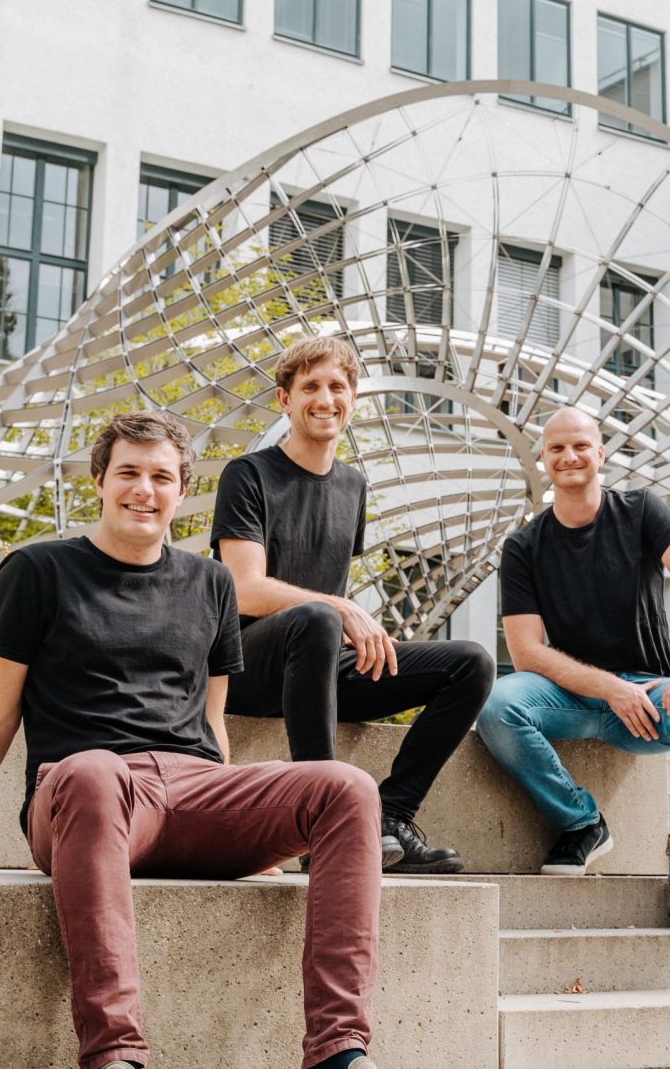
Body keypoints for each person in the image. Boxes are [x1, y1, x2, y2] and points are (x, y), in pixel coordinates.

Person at [0, 411, 383, 1069]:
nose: (143, 490)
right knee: (93, 772)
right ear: (99, 480)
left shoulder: (210, 584)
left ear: (181, 492)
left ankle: (339, 1050)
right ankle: (115, 1053)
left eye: (161, 477)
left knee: (347, 787)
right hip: (84, 795)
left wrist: (254, 835)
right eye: (128, 473)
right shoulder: (37, 571)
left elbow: (211, 724)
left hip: (191, 791)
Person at [212, 335, 495, 873]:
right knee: (319, 615)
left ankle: (390, 817)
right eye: (310, 387)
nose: (325, 398)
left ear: (354, 398)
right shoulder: (248, 475)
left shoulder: (352, 485)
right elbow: (243, 588)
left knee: (471, 663)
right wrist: (339, 608)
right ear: (284, 400)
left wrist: (340, 615)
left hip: (321, 665)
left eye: (337, 386)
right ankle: (322, 820)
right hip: (252, 665)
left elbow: (324, 588)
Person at [477, 406, 670, 928]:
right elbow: (527, 653)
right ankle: (581, 820)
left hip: (649, 695)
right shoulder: (524, 545)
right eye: (557, 448)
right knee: (498, 703)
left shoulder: (642, 512)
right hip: (570, 695)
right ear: (544, 459)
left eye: (580, 446)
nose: (569, 457)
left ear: (600, 454)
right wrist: (608, 687)